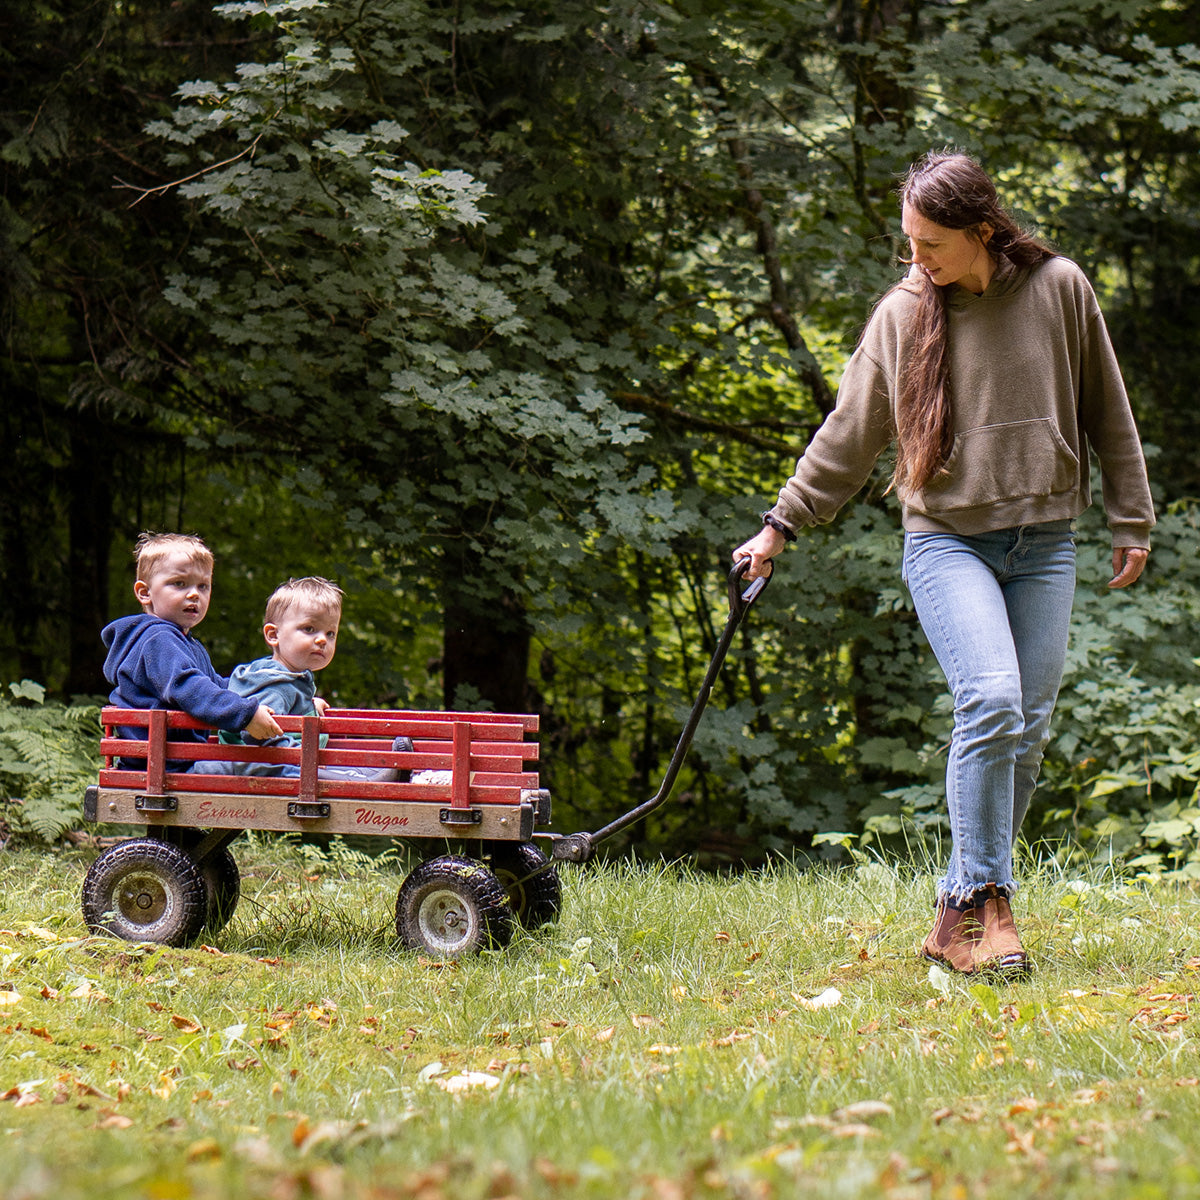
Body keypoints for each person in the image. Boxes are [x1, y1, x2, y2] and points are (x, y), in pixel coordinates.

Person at [733, 151, 1154, 979]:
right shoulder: (903, 314)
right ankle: (985, 904)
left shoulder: (1060, 287)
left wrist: (1129, 515)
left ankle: (959, 917)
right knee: (992, 701)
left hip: (1045, 542)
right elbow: (849, 434)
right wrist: (781, 521)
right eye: (909, 243)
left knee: (1024, 736)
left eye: (931, 244)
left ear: (984, 232)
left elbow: (1107, 401)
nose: (915, 260)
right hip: (947, 542)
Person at [102, 532, 284, 769]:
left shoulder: (186, 643)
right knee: (264, 769)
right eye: (179, 583)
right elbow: (189, 686)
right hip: (165, 766)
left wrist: (284, 693)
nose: (194, 594)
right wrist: (245, 714)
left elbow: (217, 685)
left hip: (180, 759)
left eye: (203, 586)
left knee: (258, 763)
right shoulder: (158, 640)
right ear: (145, 593)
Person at [205, 576, 413, 782]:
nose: (322, 639)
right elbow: (259, 736)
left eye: (330, 633)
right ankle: (370, 781)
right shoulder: (274, 684)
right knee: (321, 774)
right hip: (265, 767)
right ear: (273, 635)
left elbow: (282, 709)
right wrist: (305, 755)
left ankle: (377, 773)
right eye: (309, 629)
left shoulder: (287, 679)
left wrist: (309, 706)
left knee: (340, 769)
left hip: (279, 763)